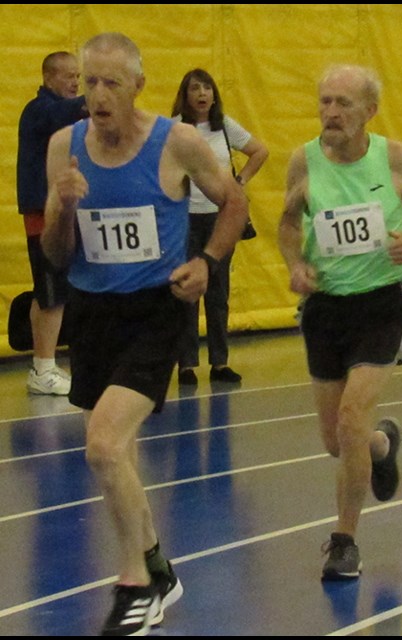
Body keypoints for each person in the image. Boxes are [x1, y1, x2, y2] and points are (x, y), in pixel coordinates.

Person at [41, 32, 248, 635]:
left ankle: (134, 583)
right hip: (93, 310)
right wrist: (62, 207)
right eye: (89, 83)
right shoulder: (64, 149)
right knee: (118, 458)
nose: (98, 95)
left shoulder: (176, 142)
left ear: (138, 85)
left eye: (111, 83)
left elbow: (233, 202)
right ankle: (158, 566)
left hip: (157, 312)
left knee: (103, 445)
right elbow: (56, 255)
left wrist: (207, 262)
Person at [278, 63, 402, 580]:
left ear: (369, 112)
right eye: (324, 102)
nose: (331, 113)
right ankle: (382, 446)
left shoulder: (397, 159)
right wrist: (296, 264)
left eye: (343, 104)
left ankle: (344, 541)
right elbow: (288, 224)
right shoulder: (304, 162)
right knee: (339, 440)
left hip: (383, 303)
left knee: (351, 418)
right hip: (326, 309)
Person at [171, 68, 269, 386]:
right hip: (185, 217)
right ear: (185, 96)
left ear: (214, 95)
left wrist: (238, 183)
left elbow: (260, 151)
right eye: (195, 89)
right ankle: (186, 364)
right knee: (186, 291)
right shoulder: (174, 129)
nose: (202, 94)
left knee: (217, 291)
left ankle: (219, 361)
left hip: (218, 218)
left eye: (207, 88)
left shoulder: (224, 127)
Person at [16, 51, 88, 395]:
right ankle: (43, 368)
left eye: (79, 75)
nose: (76, 82)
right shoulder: (40, 110)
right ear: (48, 78)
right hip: (42, 214)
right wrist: (104, 89)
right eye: (69, 76)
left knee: (55, 291)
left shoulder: (65, 117)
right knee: (51, 293)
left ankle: (44, 364)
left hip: (64, 211)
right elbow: (66, 111)